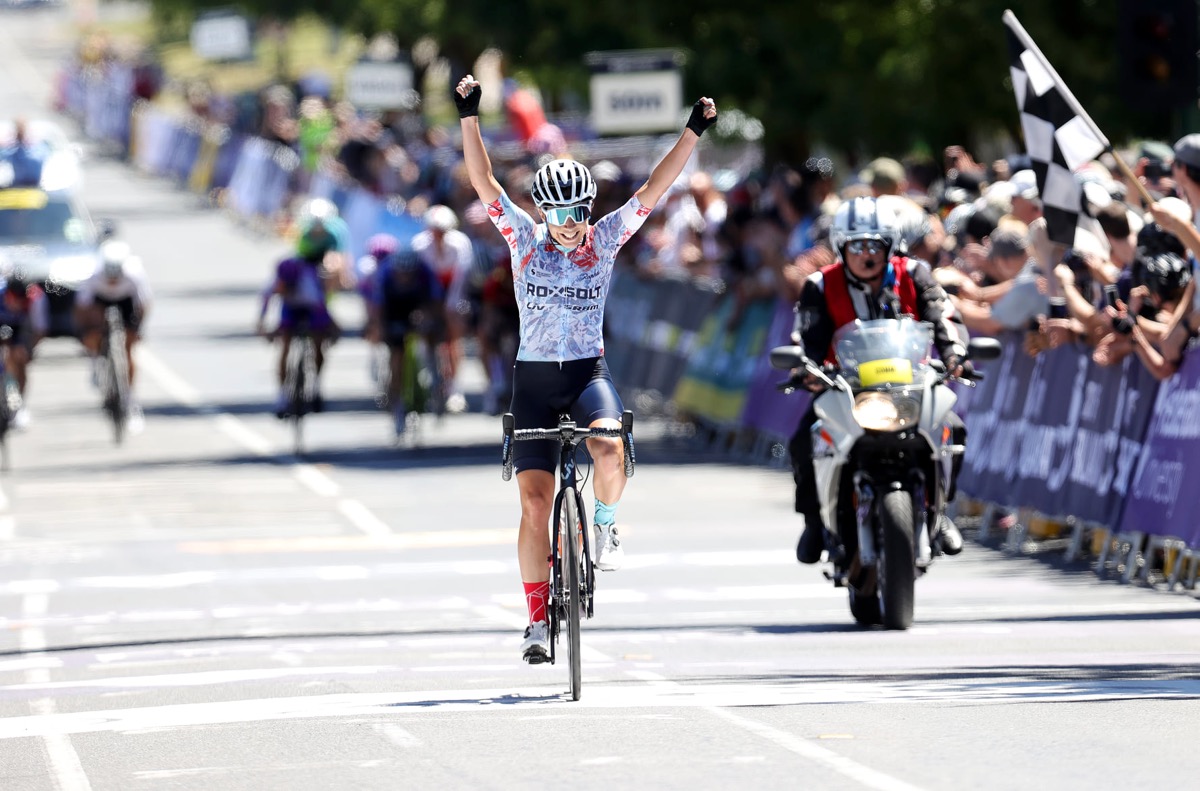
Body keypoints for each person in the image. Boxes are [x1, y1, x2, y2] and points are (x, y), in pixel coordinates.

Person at [454, 72, 716, 663]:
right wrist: (469, 116)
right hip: (536, 381)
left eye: (579, 211)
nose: (571, 223)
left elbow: (653, 189)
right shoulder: (522, 240)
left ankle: (605, 521)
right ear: (543, 211)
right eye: (560, 212)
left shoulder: (604, 240)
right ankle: (537, 621)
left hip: (586, 373)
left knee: (608, 445)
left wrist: (692, 132)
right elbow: (484, 181)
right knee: (533, 504)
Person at [789, 195, 970, 565]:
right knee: (801, 441)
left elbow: (943, 316)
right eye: (857, 245)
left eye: (875, 244)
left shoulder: (915, 273)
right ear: (842, 246)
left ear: (890, 245)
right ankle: (814, 523)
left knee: (955, 428)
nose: (866, 254)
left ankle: (942, 511)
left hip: (911, 385)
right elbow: (806, 339)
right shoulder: (820, 285)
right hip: (846, 387)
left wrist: (954, 355)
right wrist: (805, 368)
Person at [364, 236, 445, 435]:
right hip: (393, 311)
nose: (406, 278)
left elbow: (434, 302)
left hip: (416, 306)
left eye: (409, 275)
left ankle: (435, 378)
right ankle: (397, 403)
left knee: (430, 335)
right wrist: (380, 328)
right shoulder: (385, 274)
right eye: (402, 274)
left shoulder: (424, 272)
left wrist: (431, 322)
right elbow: (378, 308)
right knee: (396, 356)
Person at [74, 240, 153, 433]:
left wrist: (138, 330)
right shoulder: (93, 274)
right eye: (109, 278)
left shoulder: (134, 274)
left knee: (129, 348)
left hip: (126, 301)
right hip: (99, 301)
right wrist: (85, 332)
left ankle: (129, 399)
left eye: (116, 278)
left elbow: (144, 305)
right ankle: (94, 365)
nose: (112, 282)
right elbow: (82, 308)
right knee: (92, 334)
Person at [257, 231, 337, 417]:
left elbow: (322, 310)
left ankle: (316, 387)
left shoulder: (307, 285)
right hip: (290, 310)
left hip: (311, 309)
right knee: (284, 346)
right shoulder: (277, 281)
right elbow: (265, 301)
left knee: (319, 342)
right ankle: (282, 396)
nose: (284, 289)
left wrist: (331, 329)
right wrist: (261, 326)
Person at [411, 204, 474, 413]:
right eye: (434, 231)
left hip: (453, 292)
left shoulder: (460, 244)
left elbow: (461, 279)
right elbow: (419, 281)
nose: (438, 235)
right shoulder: (419, 245)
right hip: (429, 293)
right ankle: (428, 373)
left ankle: (455, 388)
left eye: (443, 231)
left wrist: (451, 307)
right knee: (423, 328)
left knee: (455, 335)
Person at [0, 273, 48, 428]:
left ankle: (19, 404)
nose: (16, 303)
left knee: (20, 357)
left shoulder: (36, 299)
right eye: (13, 299)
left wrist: (29, 350)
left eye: (21, 300)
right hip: (2, 323)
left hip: (22, 329)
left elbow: (39, 331)